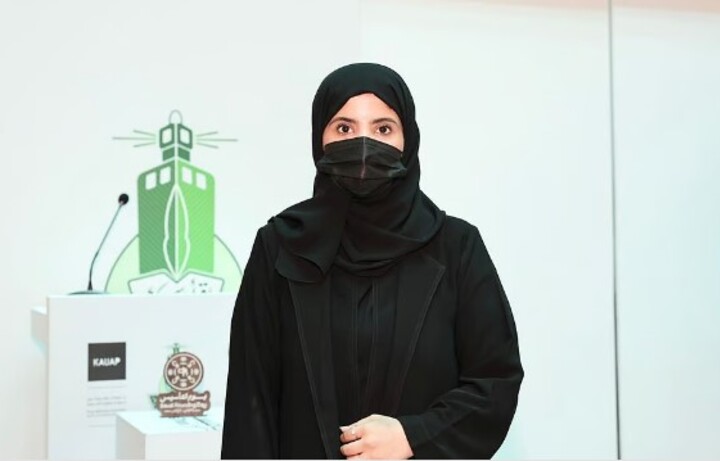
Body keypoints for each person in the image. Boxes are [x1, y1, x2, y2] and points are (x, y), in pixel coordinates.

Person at [221, 63, 523, 459]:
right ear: (319, 138)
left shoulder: (456, 247)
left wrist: (414, 437)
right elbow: (251, 401)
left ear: (408, 139)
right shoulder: (279, 246)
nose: (363, 144)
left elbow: (495, 383)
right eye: (344, 128)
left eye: (383, 129)